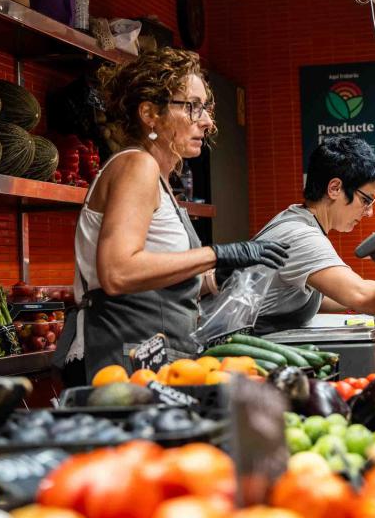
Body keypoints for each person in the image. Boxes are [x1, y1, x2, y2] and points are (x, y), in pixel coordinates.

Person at [55, 48, 289, 382]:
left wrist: (223, 272)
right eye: (192, 106)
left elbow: (165, 279)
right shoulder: (137, 166)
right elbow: (117, 272)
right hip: (120, 362)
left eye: (206, 108)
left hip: (152, 360)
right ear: (150, 113)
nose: (206, 121)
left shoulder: (161, 180)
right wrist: (216, 253)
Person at [251, 136, 375, 334]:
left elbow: (317, 298)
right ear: (334, 188)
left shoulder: (299, 220)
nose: (369, 212)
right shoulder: (300, 236)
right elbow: (359, 293)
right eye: (365, 200)